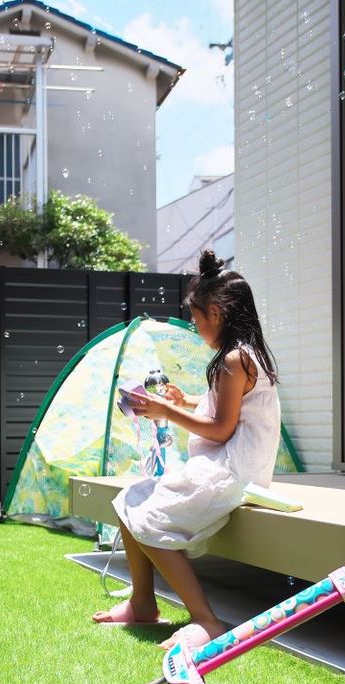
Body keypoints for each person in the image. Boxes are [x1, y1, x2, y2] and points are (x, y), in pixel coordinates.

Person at [92, 250, 281, 650]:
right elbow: (228, 409)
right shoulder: (244, 355)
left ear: (217, 312)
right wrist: (188, 399)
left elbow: (220, 428)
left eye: (196, 319)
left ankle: (206, 620)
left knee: (151, 515)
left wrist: (168, 410)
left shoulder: (234, 359)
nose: (195, 327)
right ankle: (143, 602)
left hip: (231, 470)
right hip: (228, 464)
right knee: (131, 498)